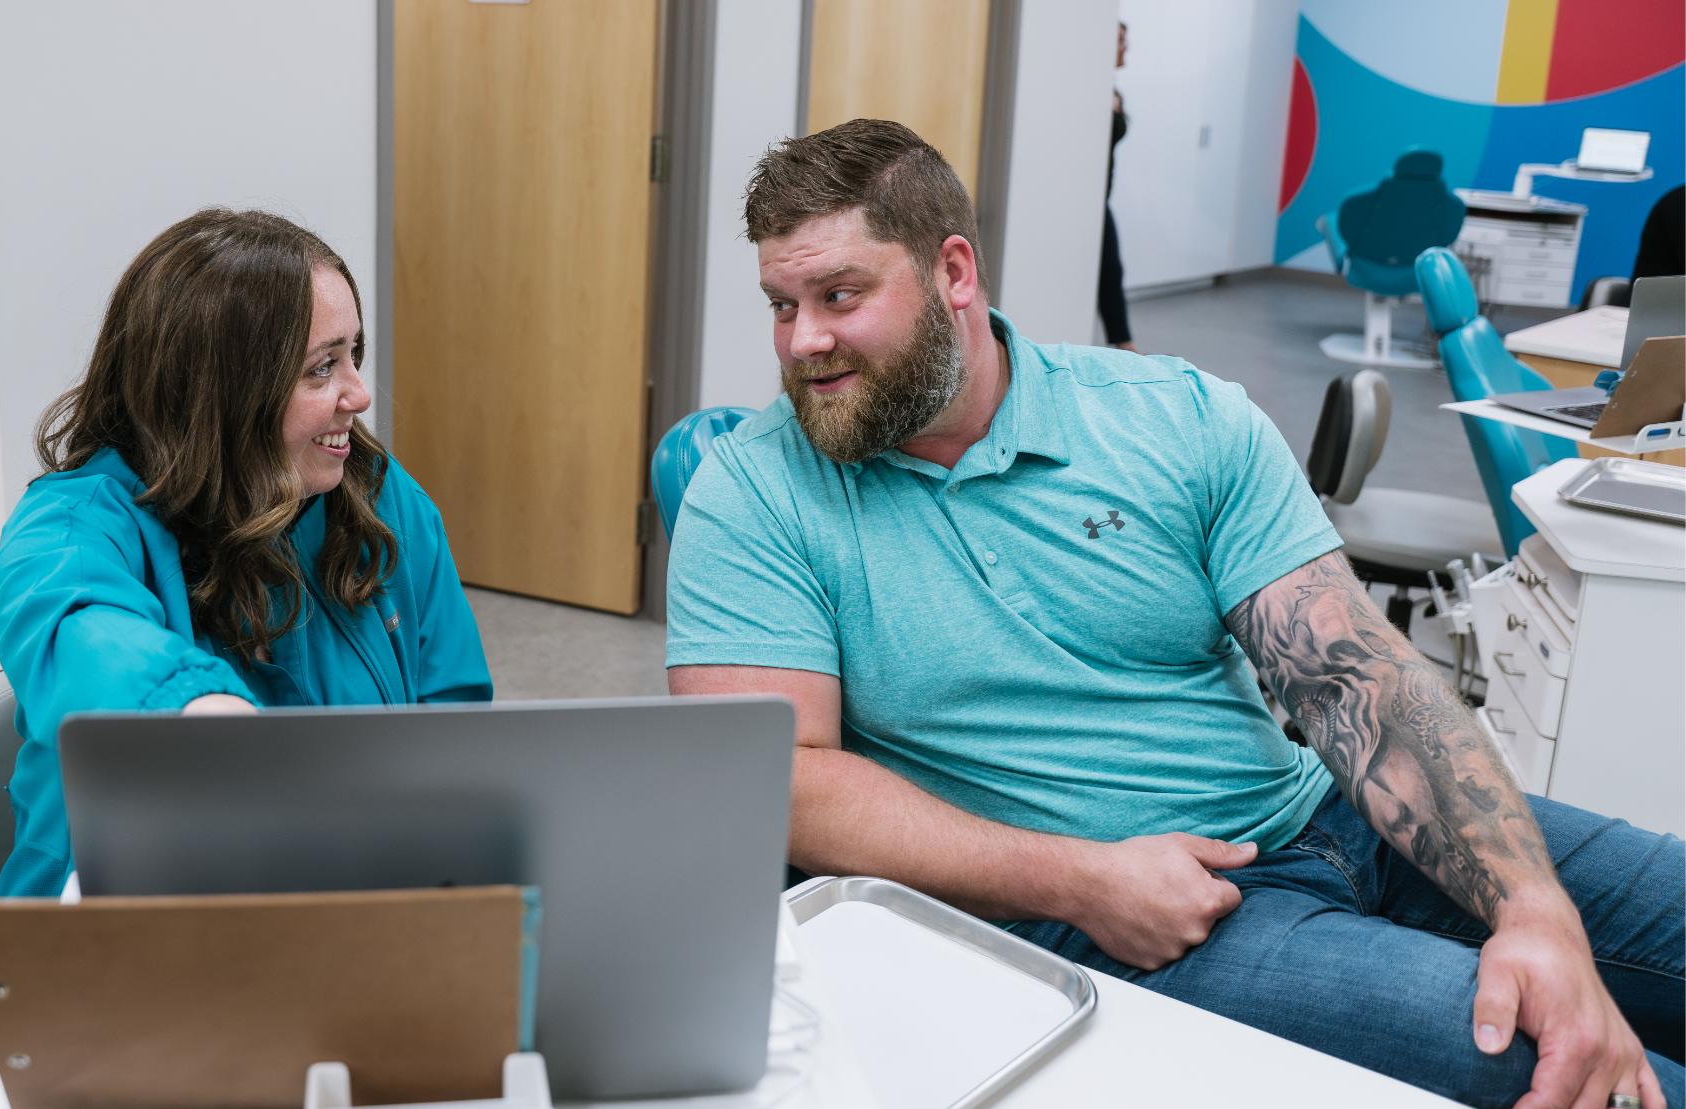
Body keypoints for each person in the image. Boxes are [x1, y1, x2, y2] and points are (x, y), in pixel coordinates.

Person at [666, 118, 1681, 1109]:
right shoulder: (756, 489)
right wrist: (1075, 880)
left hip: (1320, 812)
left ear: (953, 273)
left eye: (838, 295)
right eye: (779, 303)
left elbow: (1352, 675)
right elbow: (782, 779)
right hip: (1120, 910)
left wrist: (1529, 903)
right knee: (1580, 1069)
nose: (803, 340)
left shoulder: (1173, 415)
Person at [0, 208, 491, 897]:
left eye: (354, 354)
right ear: (221, 391)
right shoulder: (71, 528)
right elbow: (83, 634)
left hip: (353, 896)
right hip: (131, 926)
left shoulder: (376, 497)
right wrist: (202, 709)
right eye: (322, 368)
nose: (359, 393)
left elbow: (455, 717)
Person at [1098, 20, 1136, 351]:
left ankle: (1123, 343)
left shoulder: (1111, 90)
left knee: (1109, 272)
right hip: (1092, 203)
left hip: (1100, 200)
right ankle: (1124, 344)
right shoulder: (1096, 91)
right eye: (1120, 40)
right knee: (1110, 270)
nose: (1126, 47)